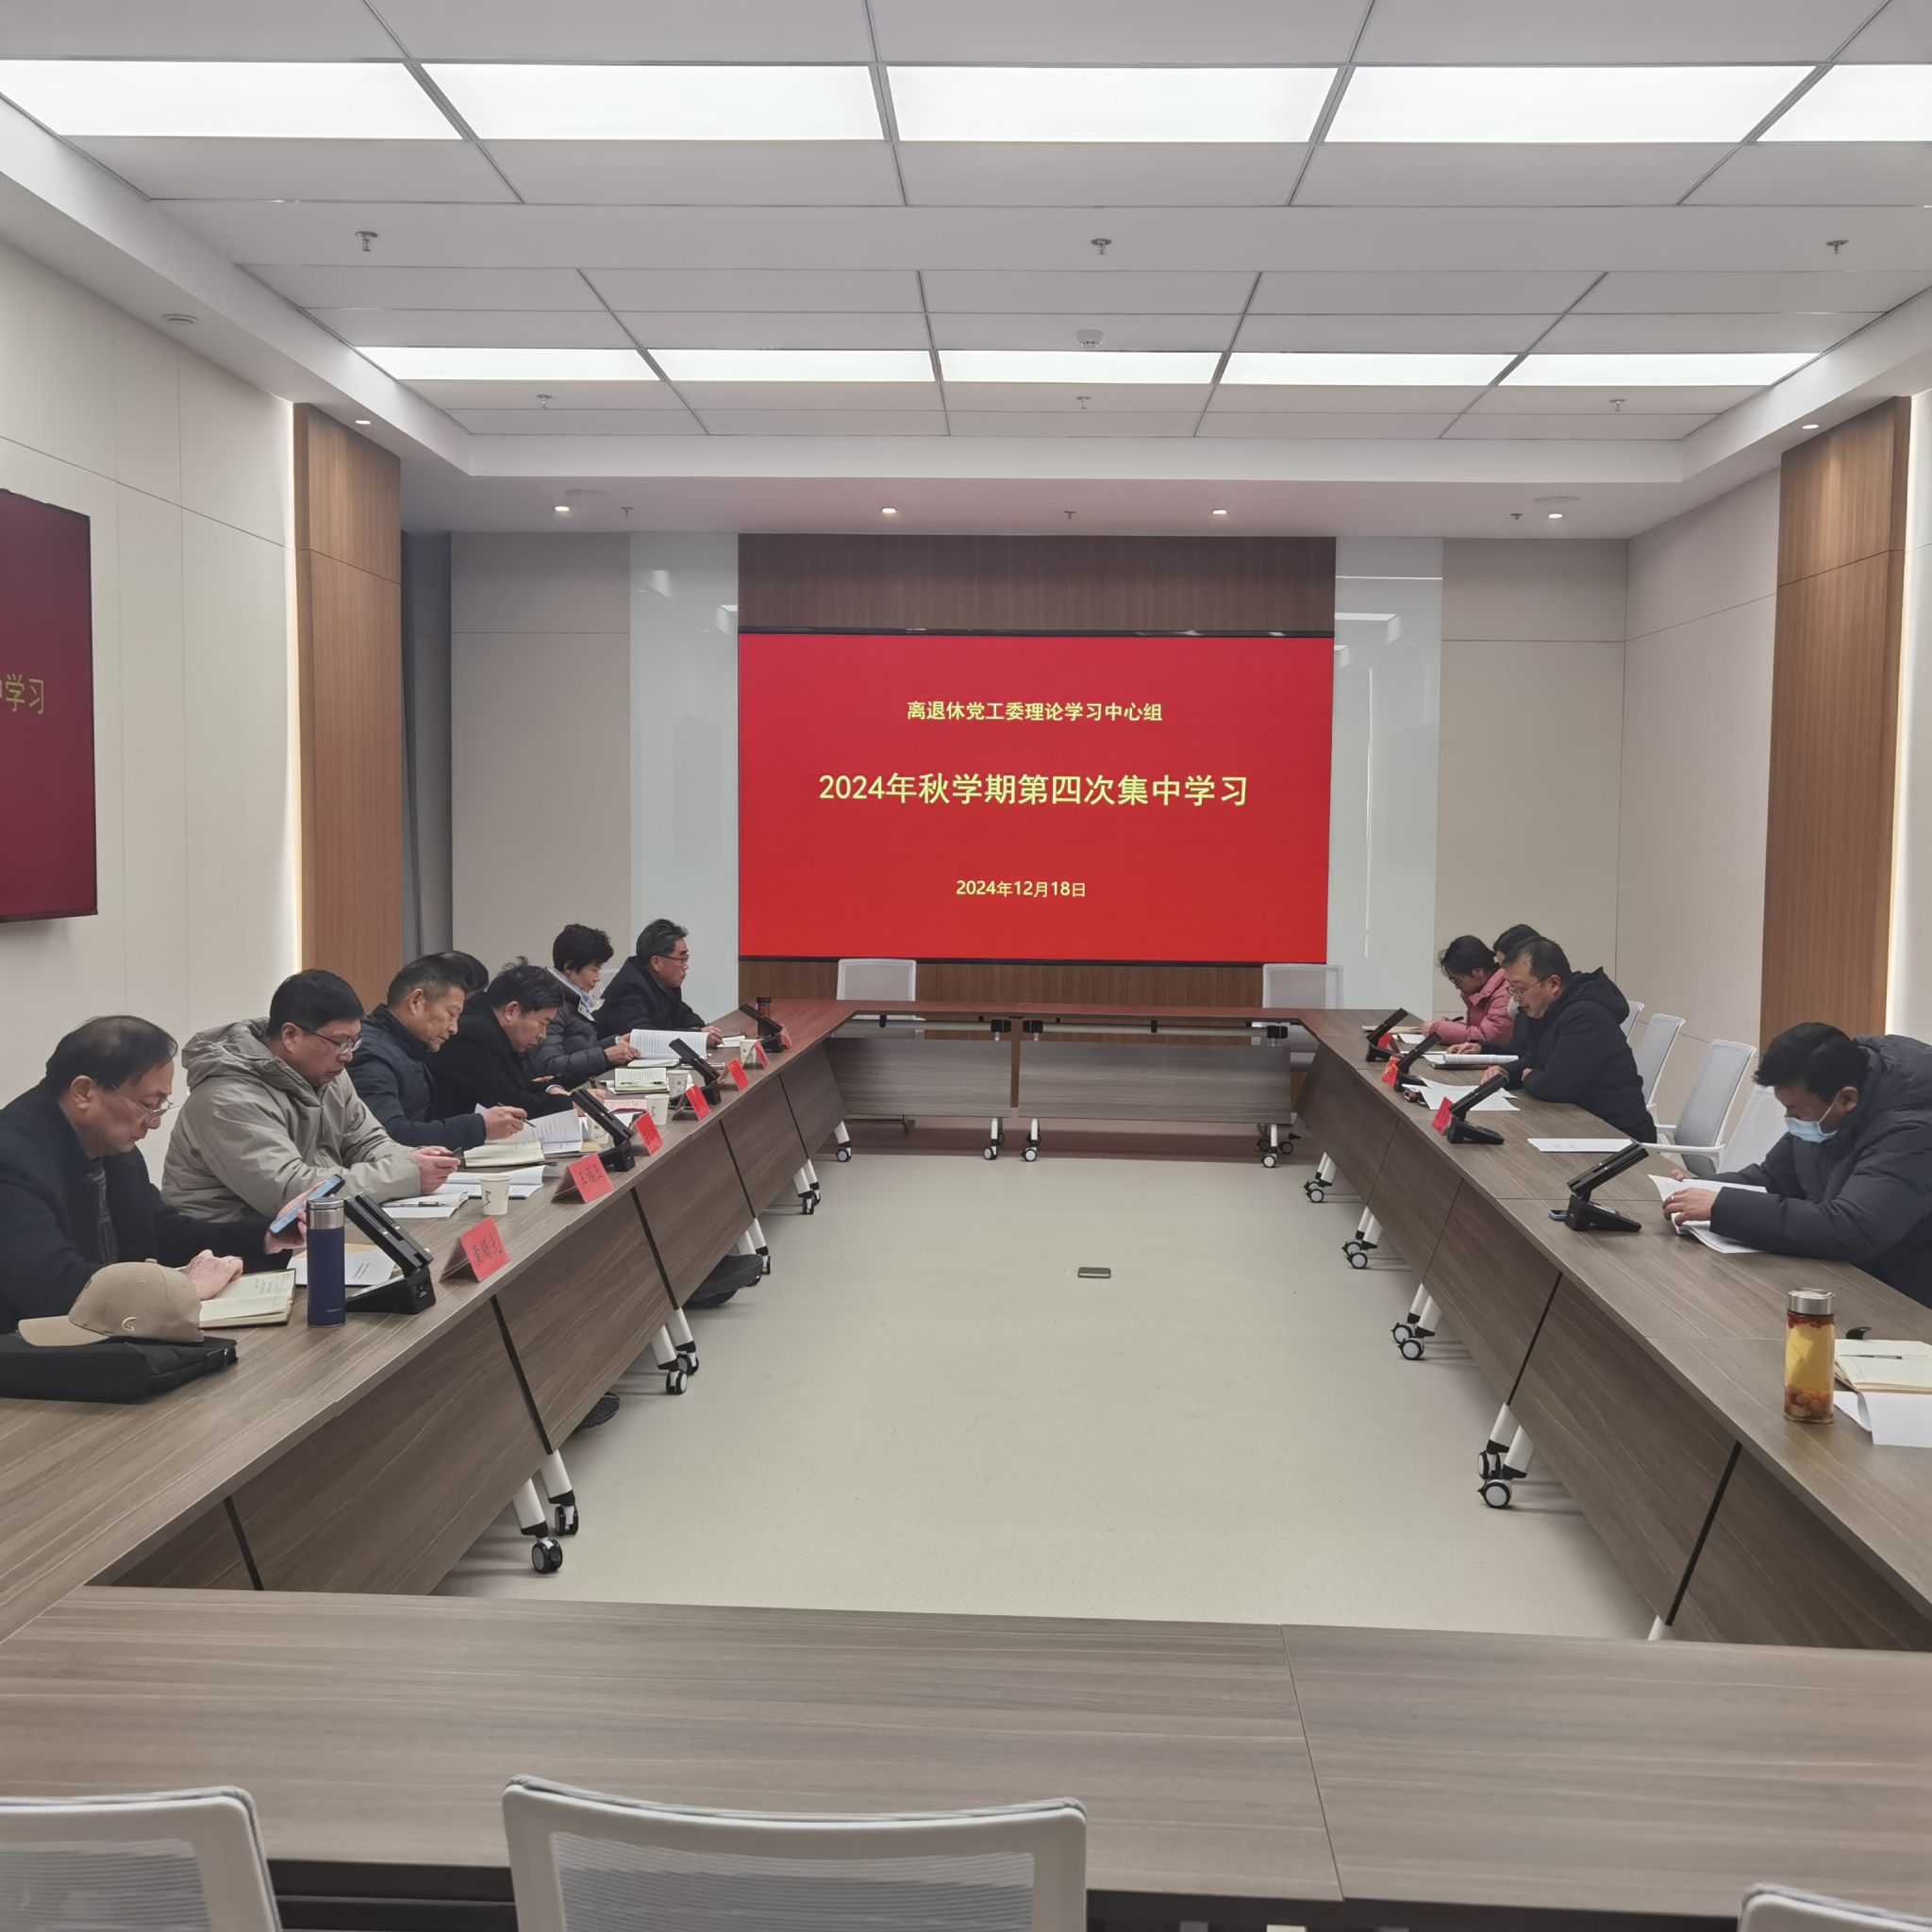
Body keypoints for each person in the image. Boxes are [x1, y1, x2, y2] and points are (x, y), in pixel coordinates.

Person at [0, 1015, 303, 1331]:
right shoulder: (10, 1160)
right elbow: (54, 1287)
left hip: (119, 1334)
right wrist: (179, 1289)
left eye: (161, 1106)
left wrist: (267, 1237)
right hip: (35, 1348)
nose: (155, 1122)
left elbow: (166, 1236)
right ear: (84, 1091)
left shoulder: (111, 1147)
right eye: (148, 1104)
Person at [1665, 1023, 1932, 1305]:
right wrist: (1697, 1190)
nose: (1789, 1120)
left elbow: (1852, 1229)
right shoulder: (1826, 1113)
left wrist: (1723, 1207)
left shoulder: (1913, 1132)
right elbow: (1774, 1179)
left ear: (1847, 1099)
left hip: (1900, 1295)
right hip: (1838, 1273)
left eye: (1797, 1111)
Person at [164, 971, 452, 1221]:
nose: (349, 1056)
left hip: (309, 1229)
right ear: (291, 1035)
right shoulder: (227, 1098)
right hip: (233, 1245)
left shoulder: (328, 1074)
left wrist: (417, 1161)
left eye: (354, 1042)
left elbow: (367, 1142)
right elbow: (291, 1191)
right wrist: (406, 1174)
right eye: (340, 1042)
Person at [1457, 936, 1655, 1142]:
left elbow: (1555, 1087)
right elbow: (1534, 1059)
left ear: (1553, 983)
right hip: (1576, 1123)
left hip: (1618, 1135)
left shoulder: (1586, 1016)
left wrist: (1530, 1076)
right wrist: (1506, 1072)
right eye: (1512, 989)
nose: (1515, 998)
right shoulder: (1550, 1009)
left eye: (1520, 989)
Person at [350, 958, 528, 1149]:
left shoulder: (408, 1046)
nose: (454, 1028)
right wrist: (479, 1127)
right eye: (451, 1014)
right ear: (416, 1002)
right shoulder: (372, 1055)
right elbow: (389, 1135)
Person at [429, 959, 578, 1117]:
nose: (543, 1034)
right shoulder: (473, 1036)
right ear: (511, 1011)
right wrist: (570, 1104)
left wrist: (551, 1089)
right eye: (543, 1023)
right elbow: (507, 1102)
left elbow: (514, 1086)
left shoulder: (490, 1025)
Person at [528, 924, 640, 1089]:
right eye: (594, 970)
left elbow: (579, 1048)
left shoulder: (573, 997)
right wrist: (604, 1056)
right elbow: (549, 1064)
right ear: (569, 967)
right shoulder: (552, 1003)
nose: (598, 977)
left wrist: (614, 1042)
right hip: (565, 1090)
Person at [597, 918, 722, 1047]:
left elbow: (682, 1013)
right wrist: (697, 1038)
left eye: (686, 958)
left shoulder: (664, 980)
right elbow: (643, 1038)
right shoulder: (628, 988)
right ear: (656, 962)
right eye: (681, 959)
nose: (686, 966)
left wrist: (700, 1028)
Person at [1431, 935, 1513, 1047]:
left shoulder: (1505, 992)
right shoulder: (1481, 990)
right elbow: (1478, 1029)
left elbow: (1489, 1038)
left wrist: (1438, 1029)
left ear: (1478, 971)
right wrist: (1451, 1027)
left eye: (1458, 980)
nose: (1457, 987)